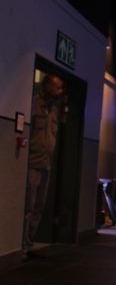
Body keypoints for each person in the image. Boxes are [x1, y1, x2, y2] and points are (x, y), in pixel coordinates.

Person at [22, 74, 64, 260]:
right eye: (57, 87)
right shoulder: (33, 105)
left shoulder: (54, 110)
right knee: (28, 207)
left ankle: (29, 243)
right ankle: (22, 248)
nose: (60, 91)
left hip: (46, 165)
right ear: (47, 86)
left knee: (39, 207)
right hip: (32, 163)